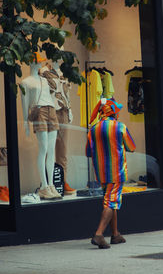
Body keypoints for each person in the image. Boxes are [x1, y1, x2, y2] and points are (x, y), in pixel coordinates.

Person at [86, 97, 136, 249]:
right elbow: (131, 147)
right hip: (116, 172)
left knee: (111, 200)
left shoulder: (93, 129)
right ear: (114, 113)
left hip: (101, 173)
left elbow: (88, 152)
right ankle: (99, 234)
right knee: (111, 202)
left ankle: (115, 235)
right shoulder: (119, 127)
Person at [20, 53, 62, 200]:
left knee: (51, 150)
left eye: (40, 62)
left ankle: (50, 185)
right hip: (39, 111)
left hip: (51, 110)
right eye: (37, 62)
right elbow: (25, 104)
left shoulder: (45, 80)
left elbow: (51, 97)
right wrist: (25, 122)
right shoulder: (25, 82)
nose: (39, 64)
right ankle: (43, 186)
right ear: (31, 63)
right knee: (43, 149)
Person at [39, 61, 76, 195]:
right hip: (50, 110)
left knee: (62, 149)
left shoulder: (64, 72)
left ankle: (62, 181)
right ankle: (48, 183)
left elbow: (66, 94)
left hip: (63, 111)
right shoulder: (43, 71)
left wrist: (70, 110)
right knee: (47, 149)